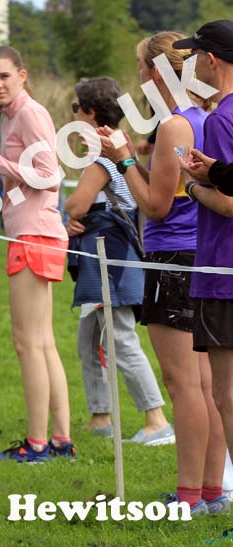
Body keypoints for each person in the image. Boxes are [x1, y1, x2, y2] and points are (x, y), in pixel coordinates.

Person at [97, 31, 226, 514]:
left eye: (141, 67)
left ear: (158, 72)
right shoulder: (210, 114)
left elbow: (154, 206)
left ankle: (190, 493)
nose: (138, 76)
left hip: (174, 260)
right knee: (210, 384)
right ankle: (211, 491)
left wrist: (124, 159)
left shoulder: (175, 125)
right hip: (206, 257)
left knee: (183, 384)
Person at [0, 46, 74, 461]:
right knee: (42, 343)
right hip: (33, 232)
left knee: (28, 343)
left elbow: (50, 176)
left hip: (34, 233)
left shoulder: (29, 113)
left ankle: (38, 442)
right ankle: (59, 440)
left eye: (4, 77)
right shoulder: (12, 115)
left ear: (22, 75)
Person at [63, 76, 172, 444]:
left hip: (111, 260)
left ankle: (156, 419)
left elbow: (77, 204)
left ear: (90, 113)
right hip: (108, 258)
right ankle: (100, 416)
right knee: (89, 339)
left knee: (120, 340)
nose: (74, 114)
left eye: (77, 108)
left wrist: (70, 213)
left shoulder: (102, 160)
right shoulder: (122, 151)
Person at [174, 20, 233, 520]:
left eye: (193, 55)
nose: (190, 64)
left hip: (224, 273)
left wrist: (191, 187)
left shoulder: (219, 120)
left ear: (210, 61)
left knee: (227, 397)